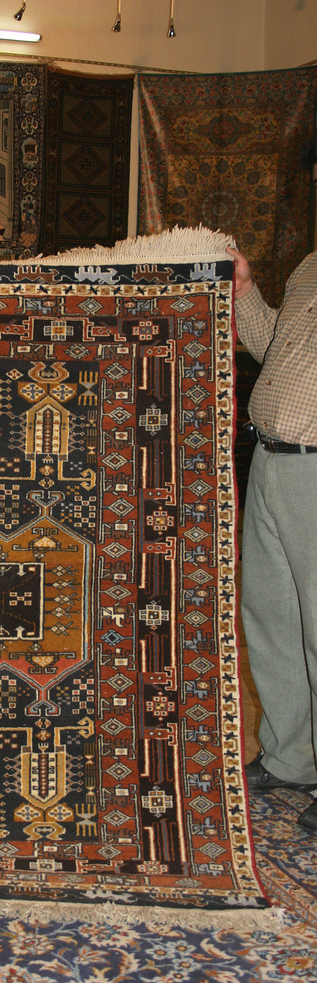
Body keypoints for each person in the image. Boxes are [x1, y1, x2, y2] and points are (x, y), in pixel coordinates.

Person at [228, 138, 317, 835]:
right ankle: (290, 759)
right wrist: (244, 289)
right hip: (268, 461)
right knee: (271, 616)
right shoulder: (311, 267)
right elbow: (269, 344)